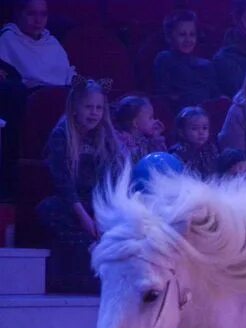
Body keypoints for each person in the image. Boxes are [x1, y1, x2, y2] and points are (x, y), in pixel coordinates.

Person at [36, 78, 124, 292]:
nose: (94, 113)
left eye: (99, 108)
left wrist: (101, 217)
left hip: (96, 204)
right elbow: (64, 184)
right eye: (88, 107)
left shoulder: (106, 138)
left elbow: (109, 183)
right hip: (70, 204)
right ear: (75, 108)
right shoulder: (62, 134)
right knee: (49, 209)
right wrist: (85, 219)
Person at [0, 0, 75, 199]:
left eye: (43, 14)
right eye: (32, 14)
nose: (38, 20)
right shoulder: (7, 40)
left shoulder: (52, 42)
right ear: (18, 14)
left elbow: (65, 74)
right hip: (25, 99)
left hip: (60, 94)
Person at [153, 9, 221, 111]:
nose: (188, 40)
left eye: (192, 34)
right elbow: (165, 95)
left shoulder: (207, 65)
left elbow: (215, 95)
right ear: (169, 37)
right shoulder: (164, 59)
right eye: (182, 34)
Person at [113, 95, 168, 164]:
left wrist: (156, 136)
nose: (155, 121)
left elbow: (161, 161)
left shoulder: (146, 141)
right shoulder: (121, 140)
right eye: (150, 118)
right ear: (135, 123)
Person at [169, 106, 219, 178]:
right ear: (181, 132)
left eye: (204, 128)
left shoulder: (211, 149)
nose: (201, 132)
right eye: (194, 128)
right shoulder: (179, 152)